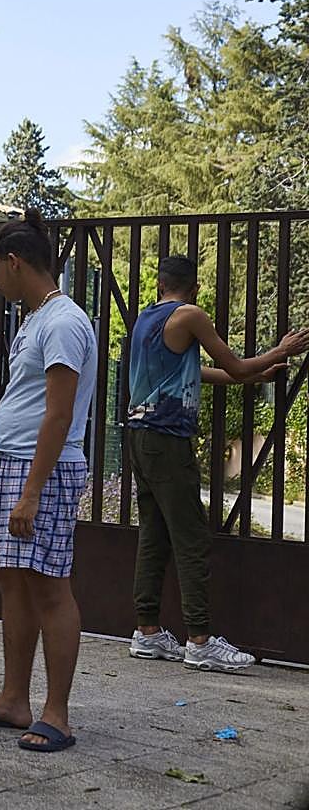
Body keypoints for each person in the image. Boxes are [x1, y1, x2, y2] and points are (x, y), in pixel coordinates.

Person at [0, 210, 96, 753]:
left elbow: (58, 416)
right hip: (10, 462)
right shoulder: (36, 318)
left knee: (49, 587)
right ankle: (14, 700)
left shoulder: (63, 323)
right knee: (12, 578)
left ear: (14, 262)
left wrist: (33, 490)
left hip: (43, 470)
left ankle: (57, 714)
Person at [125, 255, 309, 671]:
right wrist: (278, 352)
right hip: (169, 440)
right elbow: (235, 364)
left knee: (154, 535)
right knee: (191, 539)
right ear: (193, 289)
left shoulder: (146, 320)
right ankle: (200, 640)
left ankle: (147, 631)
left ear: (160, 285)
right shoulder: (190, 315)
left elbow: (199, 372)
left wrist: (253, 375)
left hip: (140, 437)